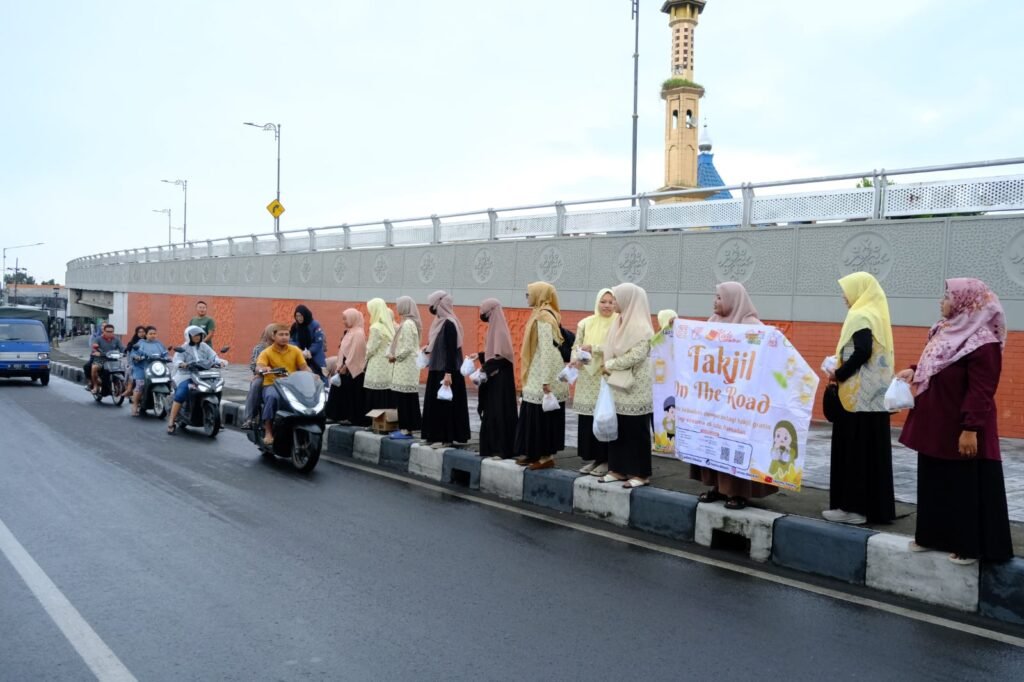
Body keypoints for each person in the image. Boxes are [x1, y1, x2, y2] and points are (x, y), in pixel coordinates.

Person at [898, 278, 1012, 564]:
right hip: (935, 423)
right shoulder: (944, 329)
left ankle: (968, 545)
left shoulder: (983, 342)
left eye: (948, 297)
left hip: (961, 426)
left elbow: (982, 389)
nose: (942, 301)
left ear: (966, 303)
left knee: (963, 485)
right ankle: (931, 536)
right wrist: (915, 371)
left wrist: (970, 428)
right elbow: (939, 364)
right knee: (933, 481)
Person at [690, 282, 777, 508]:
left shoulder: (751, 325)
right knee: (714, 441)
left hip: (739, 401)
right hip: (714, 398)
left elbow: (765, 356)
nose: (715, 301)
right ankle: (717, 487)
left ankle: (738, 492)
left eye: (719, 297)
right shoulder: (712, 322)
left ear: (733, 299)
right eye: (715, 296)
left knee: (735, 444)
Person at [823, 272, 896, 525]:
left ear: (859, 291)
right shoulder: (877, 315)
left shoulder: (860, 315)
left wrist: (839, 373)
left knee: (852, 451)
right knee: (871, 453)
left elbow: (862, 351)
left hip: (856, 399)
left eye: (847, 290)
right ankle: (874, 510)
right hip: (874, 399)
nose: (844, 296)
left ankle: (852, 508)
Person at [599, 283, 655, 488]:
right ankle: (618, 468)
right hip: (618, 384)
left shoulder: (642, 328)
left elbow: (636, 356)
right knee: (619, 427)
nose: (613, 302)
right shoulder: (618, 322)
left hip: (635, 387)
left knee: (636, 429)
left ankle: (641, 473)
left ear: (628, 300)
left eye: (616, 298)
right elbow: (608, 348)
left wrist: (610, 364)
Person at [513, 281, 568, 470]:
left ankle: (546, 457)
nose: (527, 297)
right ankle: (533, 453)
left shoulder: (544, 316)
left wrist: (545, 381)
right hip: (539, 370)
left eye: (529, 293)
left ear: (540, 294)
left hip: (544, 372)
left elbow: (546, 349)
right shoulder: (539, 313)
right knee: (532, 412)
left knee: (542, 415)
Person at [570, 288, 617, 475]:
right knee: (588, 420)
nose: (607, 305)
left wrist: (594, 348)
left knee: (604, 417)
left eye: (611, 302)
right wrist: (575, 358)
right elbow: (576, 346)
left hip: (606, 376)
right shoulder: (585, 323)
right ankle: (595, 459)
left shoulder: (619, 322)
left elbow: (618, 347)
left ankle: (607, 460)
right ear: (597, 302)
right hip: (587, 377)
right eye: (603, 301)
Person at [421, 290, 470, 446]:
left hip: (447, 370)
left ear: (439, 305)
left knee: (446, 406)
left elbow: (451, 350)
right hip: (437, 368)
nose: (430, 307)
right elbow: (439, 344)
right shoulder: (438, 322)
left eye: (432, 304)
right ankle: (434, 436)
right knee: (436, 405)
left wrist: (448, 374)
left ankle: (446, 438)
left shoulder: (449, 323)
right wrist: (428, 349)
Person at [476, 298, 518, 459]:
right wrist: (479, 356)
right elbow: (492, 353)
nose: (483, 315)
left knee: (500, 412)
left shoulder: (499, 331)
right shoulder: (494, 329)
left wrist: (485, 368)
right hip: (494, 379)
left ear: (492, 312)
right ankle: (492, 448)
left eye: (485, 312)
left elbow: (502, 357)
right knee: (492, 411)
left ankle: (502, 449)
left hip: (501, 381)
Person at [256, 324, 310, 445]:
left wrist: (314, 376)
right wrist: (263, 369)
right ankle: (268, 431)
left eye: (287, 334)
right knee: (272, 397)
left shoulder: (295, 350)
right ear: (273, 336)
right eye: (281, 334)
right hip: (272, 385)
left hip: (292, 385)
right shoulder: (266, 352)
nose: (284, 337)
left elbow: (304, 367)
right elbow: (258, 367)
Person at [167, 325, 226, 434]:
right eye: (195, 335)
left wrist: (219, 362)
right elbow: (177, 359)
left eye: (199, 335)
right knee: (181, 393)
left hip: (203, 375)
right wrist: (182, 364)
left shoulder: (204, 346)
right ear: (188, 336)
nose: (197, 337)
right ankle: (171, 421)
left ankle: (217, 418)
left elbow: (214, 357)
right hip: (187, 375)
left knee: (216, 389)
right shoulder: (183, 348)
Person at [388, 296, 423, 437]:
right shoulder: (407, 323)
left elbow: (408, 347)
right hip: (406, 366)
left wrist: (395, 357)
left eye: (399, 305)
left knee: (404, 398)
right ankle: (408, 428)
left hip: (406, 366)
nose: (397, 308)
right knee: (406, 397)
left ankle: (406, 428)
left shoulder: (408, 324)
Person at [328, 309, 369, 426]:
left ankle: (351, 418)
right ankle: (337, 415)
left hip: (352, 368)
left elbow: (356, 352)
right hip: (344, 366)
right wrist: (340, 365)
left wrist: (347, 365)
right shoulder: (350, 332)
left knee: (352, 394)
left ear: (352, 318)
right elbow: (343, 349)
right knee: (339, 392)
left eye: (345, 319)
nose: (344, 321)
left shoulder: (358, 333)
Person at [364, 298, 396, 410]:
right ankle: (385, 418)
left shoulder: (376, 327)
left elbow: (371, 348)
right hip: (387, 365)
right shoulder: (388, 325)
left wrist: (364, 359)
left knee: (375, 393)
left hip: (376, 365)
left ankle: (375, 418)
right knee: (385, 394)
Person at [243, 324, 277, 428]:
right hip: (263, 376)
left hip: (282, 376)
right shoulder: (260, 348)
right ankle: (249, 418)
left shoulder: (286, 347)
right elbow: (254, 365)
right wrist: (262, 371)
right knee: (256, 385)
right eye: (274, 333)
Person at [129, 326, 167, 416]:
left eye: (154, 334)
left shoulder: (159, 343)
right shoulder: (141, 343)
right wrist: (136, 357)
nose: (153, 335)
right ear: (146, 334)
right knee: (140, 385)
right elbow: (133, 353)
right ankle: (134, 405)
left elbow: (165, 353)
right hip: (142, 367)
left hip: (156, 367)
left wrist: (167, 358)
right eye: (150, 334)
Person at [290, 304, 327, 379]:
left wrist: (309, 351)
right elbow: (291, 340)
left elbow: (318, 341)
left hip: (315, 354)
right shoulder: (295, 326)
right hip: (300, 354)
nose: (299, 318)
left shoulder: (315, 325)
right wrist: (300, 351)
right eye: (297, 316)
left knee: (320, 374)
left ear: (305, 315)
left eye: (301, 316)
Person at [88, 324, 125, 395]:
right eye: (108, 331)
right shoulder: (98, 339)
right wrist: (96, 352)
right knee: (94, 368)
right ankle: (95, 386)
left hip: (113, 360)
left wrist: (125, 352)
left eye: (111, 331)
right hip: (101, 359)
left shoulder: (116, 340)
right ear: (104, 331)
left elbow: (122, 348)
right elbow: (94, 348)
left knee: (123, 368)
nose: (110, 333)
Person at [120, 325, 148, 398]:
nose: (142, 334)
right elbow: (129, 354)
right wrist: (133, 360)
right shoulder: (133, 343)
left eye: (143, 332)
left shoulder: (149, 342)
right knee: (131, 370)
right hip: (135, 363)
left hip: (147, 363)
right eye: (139, 332)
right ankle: (129, 390)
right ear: (136, 333)